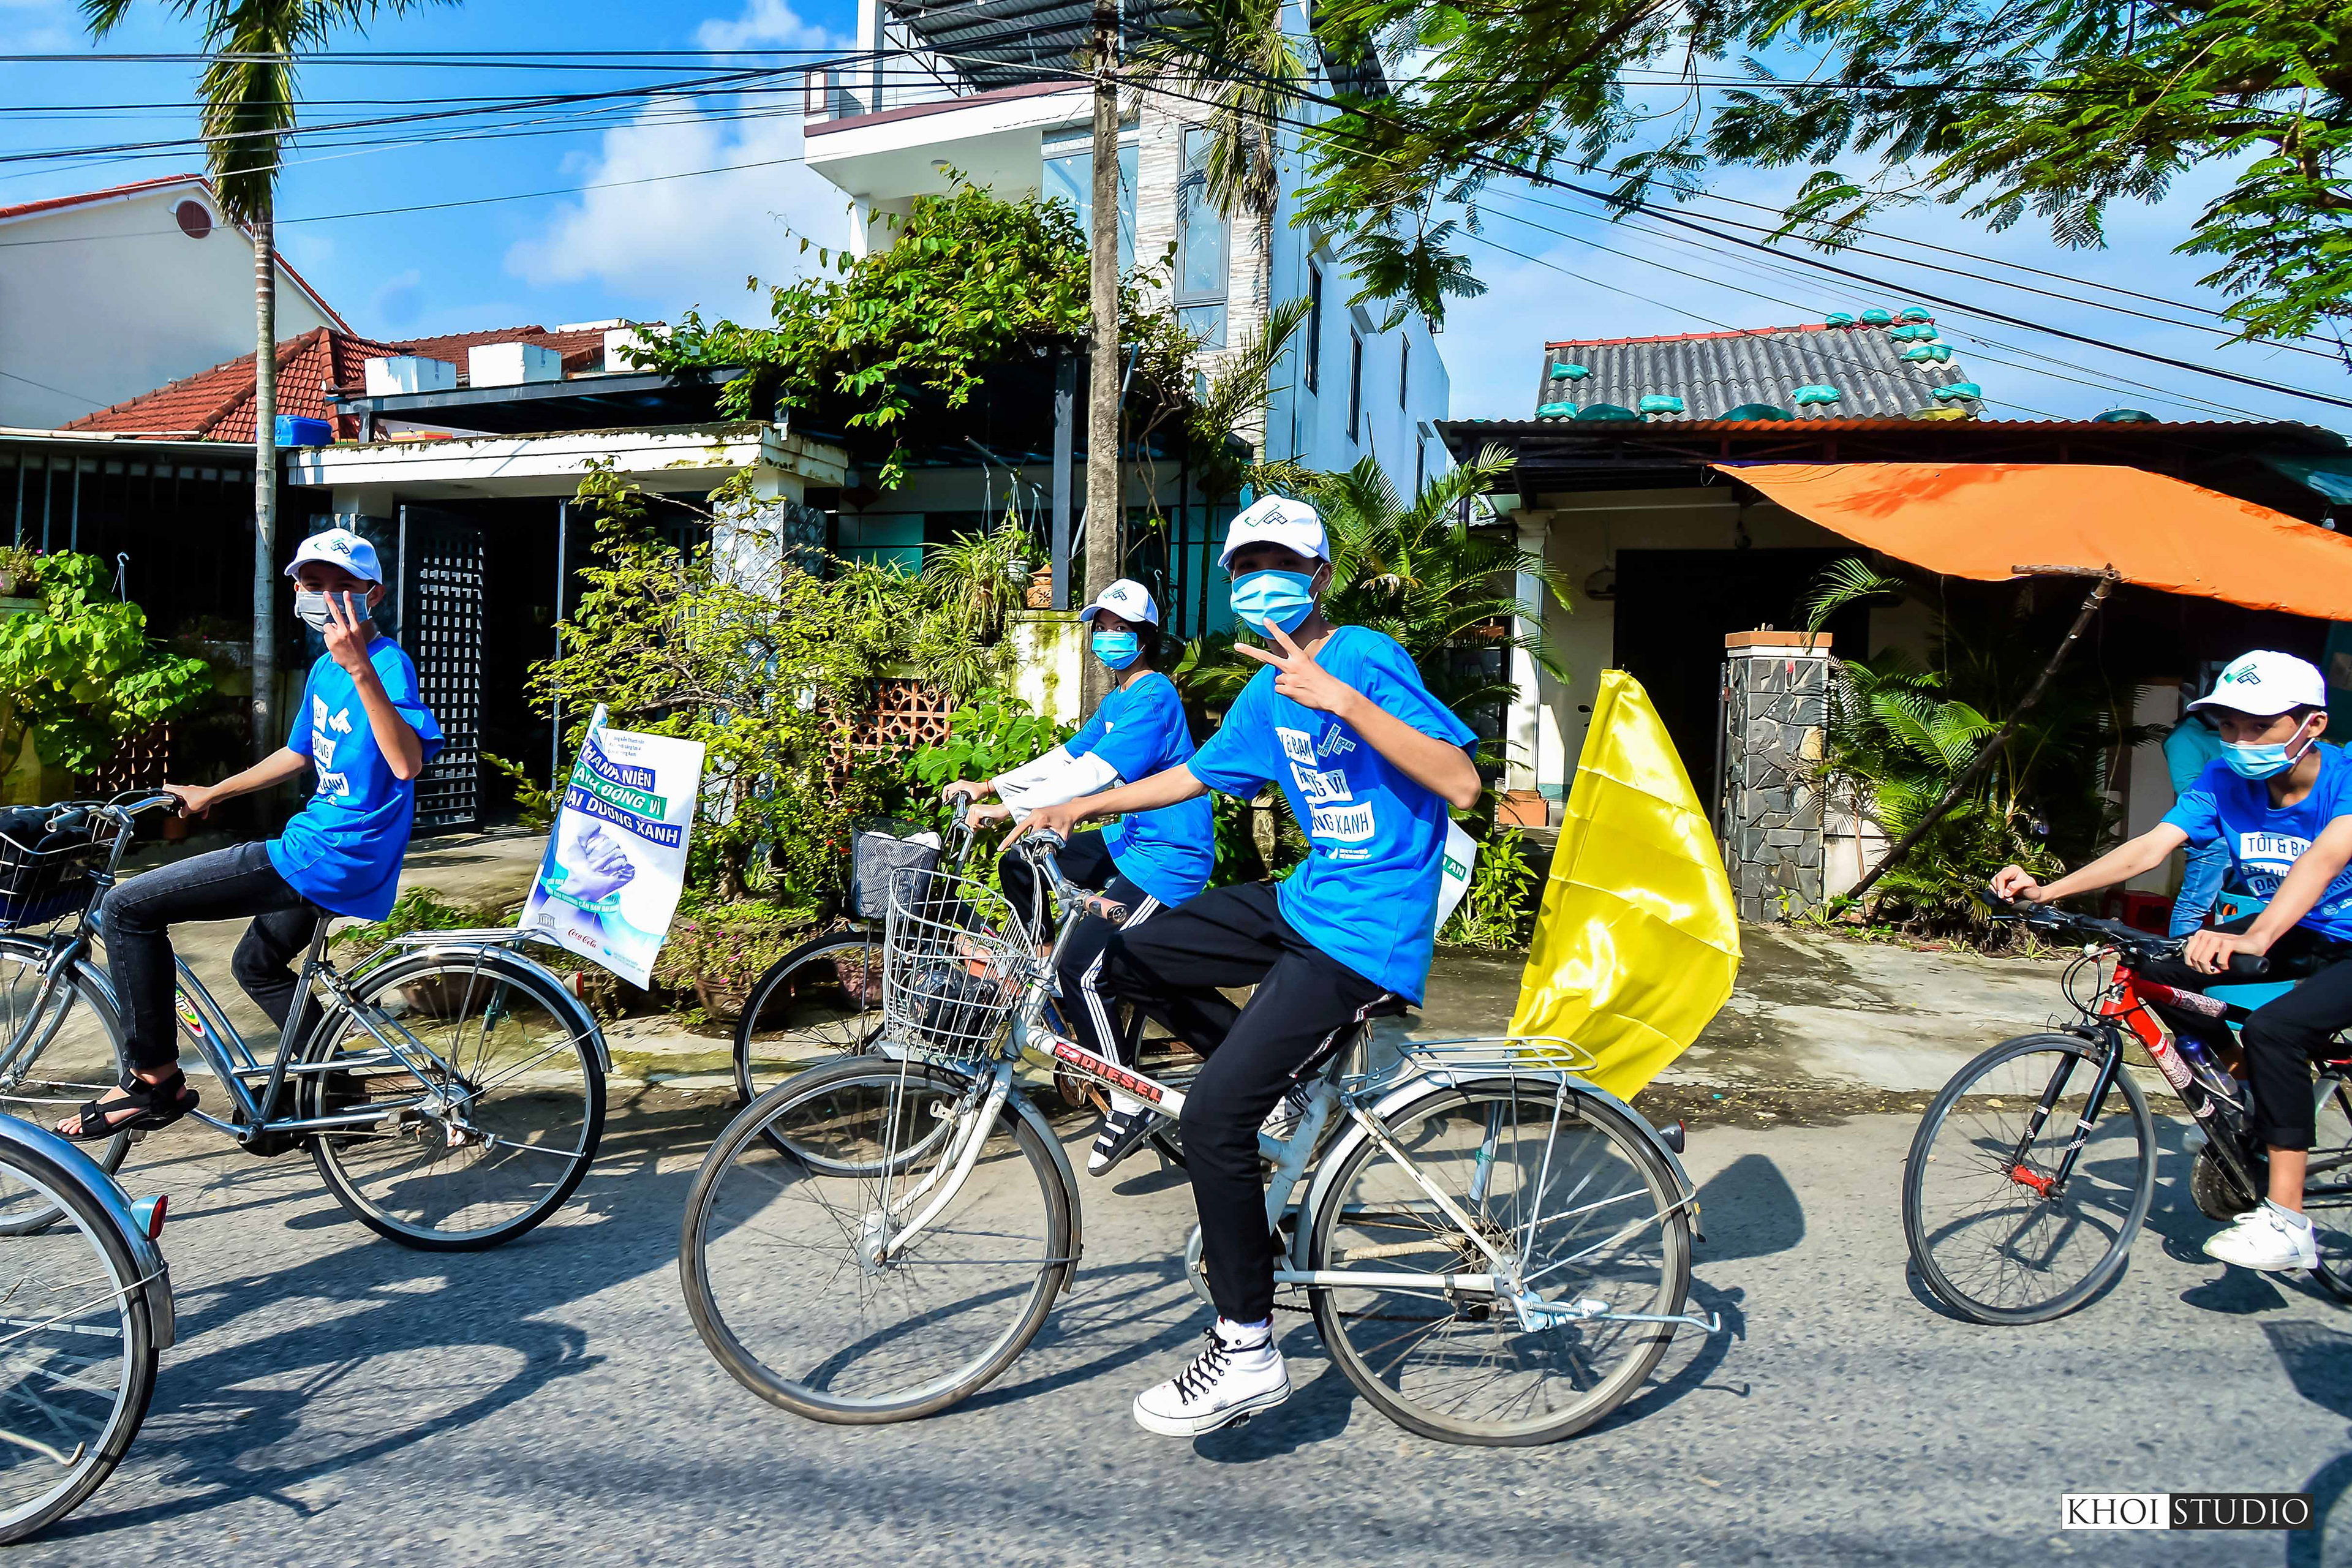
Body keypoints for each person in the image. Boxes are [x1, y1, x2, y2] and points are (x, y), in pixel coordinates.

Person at [1017, 496, 1480, 1436]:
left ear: (1318, 578)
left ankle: (1245, 1349)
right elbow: (1198, 777)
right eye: (1245, 564)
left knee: (1216, 1118)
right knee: (1132, 955)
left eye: (1281, 560)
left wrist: (1343, 700)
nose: (1260, 576)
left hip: (1367, 928)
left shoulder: (1360, 657)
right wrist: (1082, 810)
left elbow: (1463, 781)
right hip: (1307, 899)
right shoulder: (1267, 690)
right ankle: (1278, 1086)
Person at [60, 529, 443, 1140]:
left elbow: (406, 763)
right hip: (324, 847)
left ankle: (154, 1079)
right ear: (295, 591)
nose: (327, 599)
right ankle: (331, 1086)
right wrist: (213, 793)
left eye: (344, 588)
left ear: (374, 595)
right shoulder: (323, 667)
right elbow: (297, 754)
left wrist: (362, 670)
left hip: (327, 855)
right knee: (256, 964)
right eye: (314, 586)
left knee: (125, 906)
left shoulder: (386, 665)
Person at [1991, 649, 2351, 1272]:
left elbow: (2322, 862)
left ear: (2311, 724)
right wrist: (2047, 890)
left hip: (2327, 935)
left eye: (2257, 726)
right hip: (2303, 931)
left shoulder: (2346, 779)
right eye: (2229, 725)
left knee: (2277, 1028)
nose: (2239, 740)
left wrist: (2254, 937)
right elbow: (2149, 847)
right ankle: (2237, 1091)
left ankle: (2288, 1223)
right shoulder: (2223, 780)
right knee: (2157, 968)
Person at [940, 578, 1215, 1176]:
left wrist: (1008, 810)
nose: (1109, 636)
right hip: (1127, 841)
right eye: (1102, 626)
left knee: (1086, 969)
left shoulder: (1155, 696)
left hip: (1168, 856)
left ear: (1145, 637)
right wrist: (990, 788)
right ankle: (1046, 966)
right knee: (1018, 861)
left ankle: (1127, 1097)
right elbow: (1066, 757)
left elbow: (1097, 772)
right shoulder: (1119, 700)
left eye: (1121, 627)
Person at [2163, 697, 2229, 935]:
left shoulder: (2232, 735)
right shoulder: (2184, 738)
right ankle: (2179, 961)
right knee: (2194, 906)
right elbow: (2189, 790)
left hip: (2247, 831)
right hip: (2214, 836)